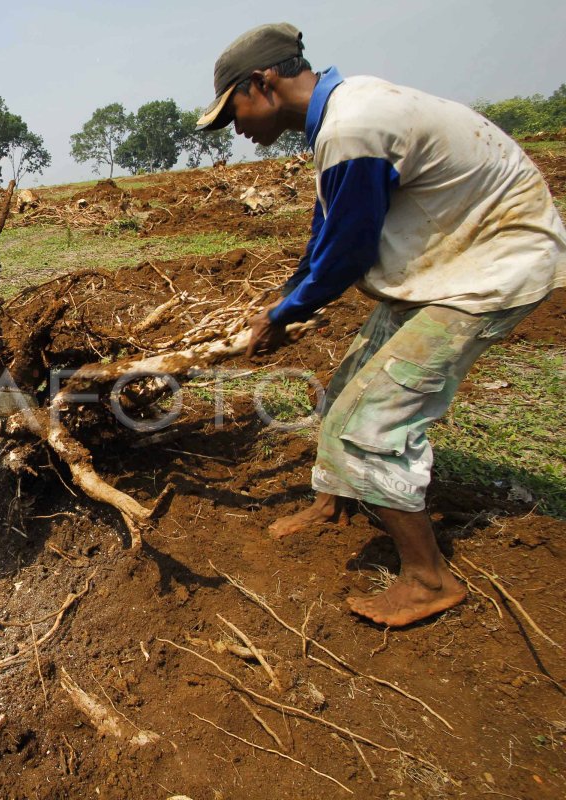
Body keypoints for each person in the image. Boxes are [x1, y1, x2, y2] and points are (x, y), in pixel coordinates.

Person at [197, 24, 566, 627]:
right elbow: (327, 229)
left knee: (369, 420)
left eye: (232, 112)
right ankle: (332, 501)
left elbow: (347, 252)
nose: (236, 130)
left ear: (260, 84)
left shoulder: (352, 127)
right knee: (343, 390)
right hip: (447, 261)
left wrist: (284, 316)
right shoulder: (344, 116)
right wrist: (286, 297)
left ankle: (427, 579)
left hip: (489, 269)